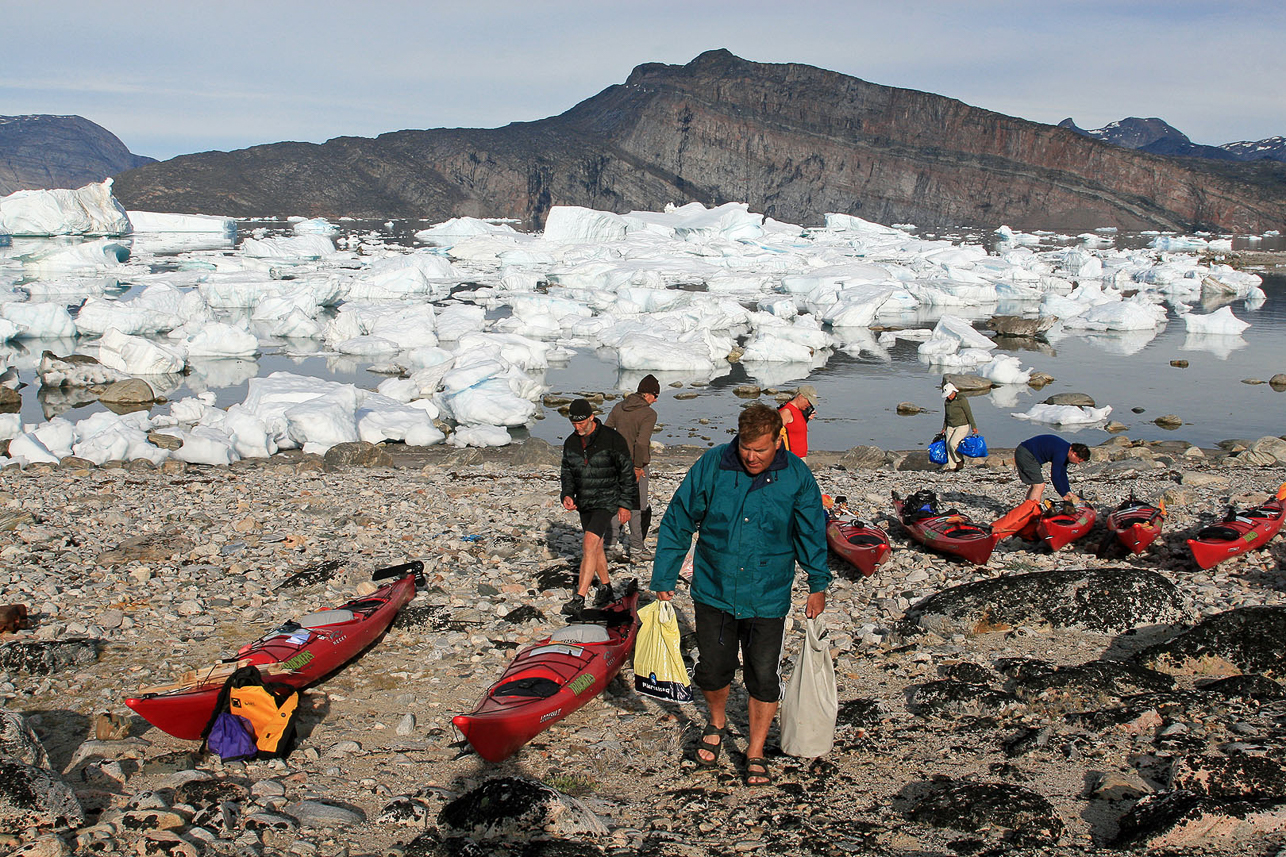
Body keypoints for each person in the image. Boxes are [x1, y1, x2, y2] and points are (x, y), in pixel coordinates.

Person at [650, 403, 829, 788]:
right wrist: (664, 573)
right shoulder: (713, 464)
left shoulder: (796, 476)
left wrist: (818, 583)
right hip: (714, 587)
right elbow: (680, 518)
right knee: (713, 669)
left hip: (769, 594)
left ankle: (756, 750)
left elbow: (811, 532)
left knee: (763, 676)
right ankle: (716, 723)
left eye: (760, 450)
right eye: (746, 448)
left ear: (777, 442)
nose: (751, 456)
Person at [560, 398, 636, 616]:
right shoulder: (570, 443)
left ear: (591, 417)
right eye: (574, 423)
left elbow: (627, 473)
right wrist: (567, 494)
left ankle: (579, 597)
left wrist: (625, 505)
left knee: (589, 543)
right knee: (597, 545)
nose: (578, 427)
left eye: (581, 422)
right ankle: (605, 587)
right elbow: (567, 472)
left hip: (607, 499)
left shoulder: (612, 440)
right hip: (585, 501)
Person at [605, 374, 660, 562]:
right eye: (656, 395)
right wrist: (638, 466)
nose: (656, 400)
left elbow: (605, 432)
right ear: (649, 394)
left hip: (615, 464)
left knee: (615, 504)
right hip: (635, 465)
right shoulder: (648, 414)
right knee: (637, 506)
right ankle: (637, 548)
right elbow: (642, 443)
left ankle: (609, 546)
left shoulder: (619, 407)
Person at [1014, 434, 1090, 504]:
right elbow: (1055, 476)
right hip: (1026, 454)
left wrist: (1068, 491)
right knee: (1039, 485)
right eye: (1079, 460)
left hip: (1029, 453)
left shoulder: (1066, 450)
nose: (1078, 463)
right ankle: (1032, 511)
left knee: (1036, 484)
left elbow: (1062, 474)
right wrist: (1063, 495)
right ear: (1074, 454)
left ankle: (1027, 507)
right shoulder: (1061, 452)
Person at [940, 382, 978, 472]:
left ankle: (959, 461)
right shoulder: (947, 402)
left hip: (962, 425)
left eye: (949, 395)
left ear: (954, 392)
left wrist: (974, 427)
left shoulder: (961, 399)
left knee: (954, 443)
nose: (948, 397)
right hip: (950, 425)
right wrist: (944, 427)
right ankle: (952, 466)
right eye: (947, 395)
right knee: (948, 446)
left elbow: (968, 413)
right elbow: (946, 415)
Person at [778, 384, 818, 460]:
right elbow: (771, 432)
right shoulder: (787, 411)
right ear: (800, 396)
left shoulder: (800, 411)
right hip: (790, 458)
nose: (809, 405)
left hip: (800, 457)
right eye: (808, 401)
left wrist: (806, 418)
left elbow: (796, 429)